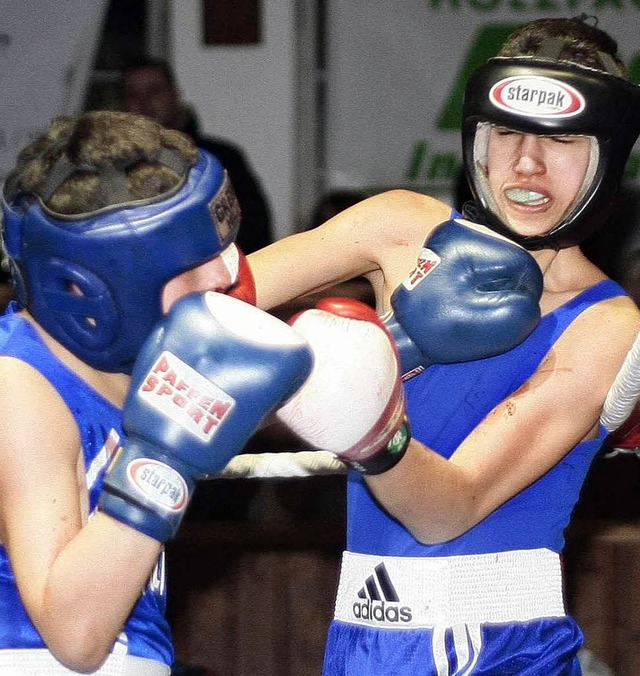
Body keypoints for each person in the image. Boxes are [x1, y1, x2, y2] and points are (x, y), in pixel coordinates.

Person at [247, 16, 640, 674]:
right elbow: (208, 306)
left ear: (607, 153)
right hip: (360, 639)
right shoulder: (399, 227)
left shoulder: (607, 326)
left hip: (500, 650)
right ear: (477, 140)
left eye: (563, 138)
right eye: (507, 132)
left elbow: (450, 508)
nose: (527, 163)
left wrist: (369, 421)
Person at [0, 110, 312, 675]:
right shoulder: (18, 388)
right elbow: (74, 637)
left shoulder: (129, 365)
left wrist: (395, 354)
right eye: (194, 259)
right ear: (104, 284)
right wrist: (163, 459)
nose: (226, 271)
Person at [121, 57, 273, 255]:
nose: (144, 101)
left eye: (154, 91)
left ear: (175, 96)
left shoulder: (218, 158)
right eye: (133, 94)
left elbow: (253, 229)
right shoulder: (115, 166)